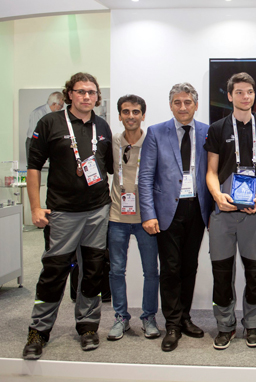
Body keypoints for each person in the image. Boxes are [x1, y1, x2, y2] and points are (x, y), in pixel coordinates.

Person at [23, 72, 113, 359]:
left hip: (97, 211)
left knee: (93, 270)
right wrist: (35, 207)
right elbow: (34, 167)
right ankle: (39, 330)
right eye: (80, 91)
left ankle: (87, 326)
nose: (87, 96)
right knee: (54, 271)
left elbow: (109, 167)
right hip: (62, 212)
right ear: (69, 94)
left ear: (97, 96)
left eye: (91, 92)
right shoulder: (49, 123)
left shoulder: (103, 126)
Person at [205, 72, 256, 350]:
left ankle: (253, 325)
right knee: (222, 274)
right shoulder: (217, 129)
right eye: (239, 92)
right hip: (223, 214)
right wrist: (217, 195)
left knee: (255, 274)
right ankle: (224, 326)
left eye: (249, 91)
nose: (244, 96)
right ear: (230, 96)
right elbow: (211, 172)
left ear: (254, 95)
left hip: (254, 214)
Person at [138, 83, 212, 352]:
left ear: (196, 104)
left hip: (197, 208)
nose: (183, 107)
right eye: (178, 102)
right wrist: (147, 213)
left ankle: (185, 317)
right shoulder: (156, 132)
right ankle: (171, 324)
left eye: (188, 102)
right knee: (170, 268)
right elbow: (145, 176)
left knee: (189, 266)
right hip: (166, 211)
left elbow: (214, 172)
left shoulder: (207, 131)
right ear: (171, 105)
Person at [106, 95, 160, 342]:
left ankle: (148, 317)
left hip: (146, 219)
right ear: (119, 115)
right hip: (117, 217)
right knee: (117, 270)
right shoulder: (111, 142)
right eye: (125, 112)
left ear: (143, 115)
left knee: (151, 271)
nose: (130, 116)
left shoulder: (152, 142)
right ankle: (121, 318)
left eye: (136, 112)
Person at [26, 92, 64, 165]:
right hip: (35, 142)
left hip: (49, 142)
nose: (62, 108)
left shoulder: (56, 115)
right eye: (61, 105)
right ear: (54, 104)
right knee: (34, 167)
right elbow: (35, 134)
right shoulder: (38, 113)